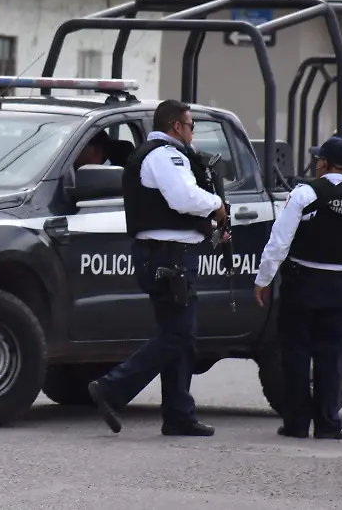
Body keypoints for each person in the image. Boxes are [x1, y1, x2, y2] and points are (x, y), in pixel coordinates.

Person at [86, 99, 230, 437]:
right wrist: (217, 205)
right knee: (179, 334)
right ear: (177, 127)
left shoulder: (156, 155)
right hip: (169, 257)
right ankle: (111, 388)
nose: (193, 133)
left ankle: (179, 414)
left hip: (167, 255)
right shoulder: (167, 155)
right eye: (191, 126)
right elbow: (184, 198)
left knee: (179, 335)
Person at [253, 136, 342, 441]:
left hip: (303, 284)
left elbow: (279, 240)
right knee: (331, 356)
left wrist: (263, 279)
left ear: (323, 164)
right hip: (341, 287)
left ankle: (296, 424)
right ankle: (327, 424)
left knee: (295, 354)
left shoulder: (306, 193)